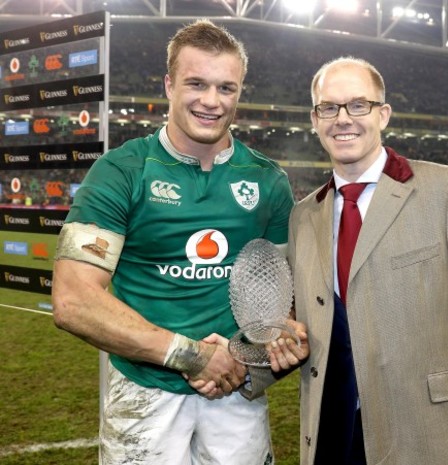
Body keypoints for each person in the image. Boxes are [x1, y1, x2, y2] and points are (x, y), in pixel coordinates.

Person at [52, 19, 308, 465]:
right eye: (196, 84)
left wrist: (246, 357)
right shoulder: (121, 172)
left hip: (236, 394)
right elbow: (74, 300)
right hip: (143, 394)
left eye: (226, 88)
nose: (212, 101)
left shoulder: (268, 182)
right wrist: (193, 357)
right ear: (169, 85)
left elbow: (286, 304)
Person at [287, 56, 448, 465]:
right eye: (329, 107)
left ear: (383, 114)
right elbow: (302, 326)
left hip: (429, 434)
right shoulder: (304, 215)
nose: (343, 119)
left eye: (358, 105)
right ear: (315, 119)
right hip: (331, 434)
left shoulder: (445, 189)